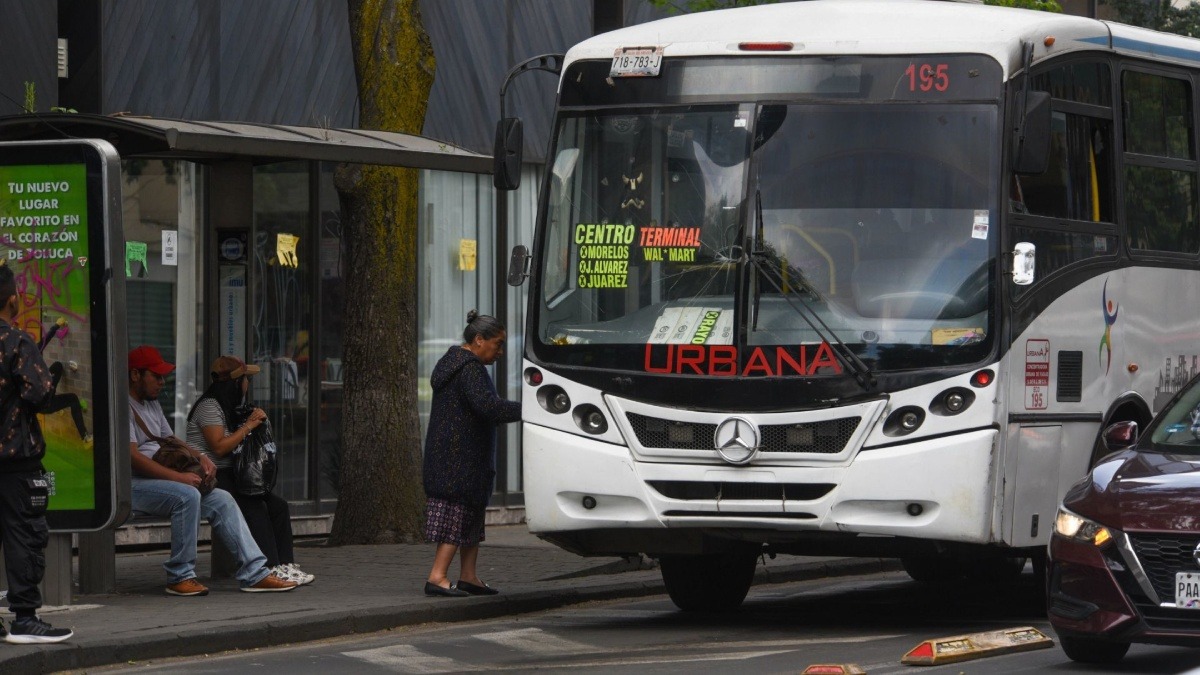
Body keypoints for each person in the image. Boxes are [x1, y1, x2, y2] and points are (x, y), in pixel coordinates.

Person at [127, 345, 298, 596]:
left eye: (163, 377)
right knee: (188, 496)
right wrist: (179, 478)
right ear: (135, 375)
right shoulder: (123, 406)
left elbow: (170, 439)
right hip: (133, 485)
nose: (162, 382)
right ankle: (180, 576)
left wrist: (201, 457)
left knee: (223, 499)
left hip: (165, 480)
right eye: (156, 376)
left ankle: (255, 573)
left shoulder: (151, 405)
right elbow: (132, 457)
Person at [186, 355, 314, 585]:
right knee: (255, 506)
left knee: (278, 506)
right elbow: (219, 447)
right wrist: (249, 425)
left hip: (232, 473)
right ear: (236, 382)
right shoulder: (209, 406)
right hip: (213, 475)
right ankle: (268, 568)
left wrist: (254, 420)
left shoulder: (228, 407)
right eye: (246, 379)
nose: (248, 384)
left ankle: (285, 564)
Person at [423, 311, 522, 597]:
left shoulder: (454, 364)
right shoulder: (470, 369)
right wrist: (531, 409)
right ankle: (437, 577)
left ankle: (468, 576)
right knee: (458, 516)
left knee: (470, 516)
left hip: (452, 456)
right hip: (460, 460)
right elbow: (488, 406)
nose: (500, 351)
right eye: (498, 343)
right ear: (479, 339)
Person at [0, 264, 74, 643]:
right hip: (16, 461)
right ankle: (25, 618)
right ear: (13, 299)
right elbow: (41, 395)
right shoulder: (17, 342)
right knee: (24, 535)